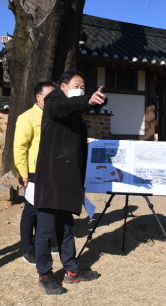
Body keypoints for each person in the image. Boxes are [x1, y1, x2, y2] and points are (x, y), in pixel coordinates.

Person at [34, 70, 105, 295]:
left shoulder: (75, 114)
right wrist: (86, 99)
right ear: (63, 86)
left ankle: (72, 270)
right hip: (51, 177)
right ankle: (45, 274)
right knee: (45, 230)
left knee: (66, 227)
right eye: (77, 85)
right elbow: (61, 108)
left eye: (83, 87)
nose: (81, 90)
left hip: (69, 179)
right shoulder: (54, 100)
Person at [13, 81, 57, 264]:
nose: (53, 100)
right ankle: (27, 249)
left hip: (52, 169)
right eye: (49, 96)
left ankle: (44, 243)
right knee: (31, 210)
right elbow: (19, 147)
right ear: (38, 96)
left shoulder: (54, 115)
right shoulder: (27, 117)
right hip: (34, 170)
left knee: (47, 207)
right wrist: (23, 173)